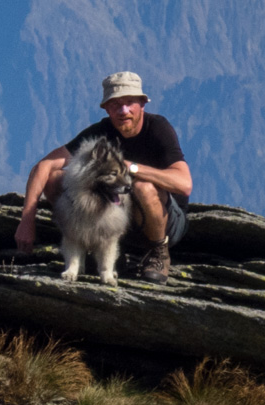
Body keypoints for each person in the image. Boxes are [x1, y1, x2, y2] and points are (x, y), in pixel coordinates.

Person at [14, 71, 193, 282]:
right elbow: (43, 167)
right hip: (118, 220)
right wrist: (27, 220)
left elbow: (184, 184)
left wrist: (131, 168)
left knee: (143, 188)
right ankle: (88, 245)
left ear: (142, 104)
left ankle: (158, 254)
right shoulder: (100, 133)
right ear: (106, 109)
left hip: (166, 223)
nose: (123, 110)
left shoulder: (158, 129)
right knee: (55, 179)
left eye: (129, 103)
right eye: (115, 105)